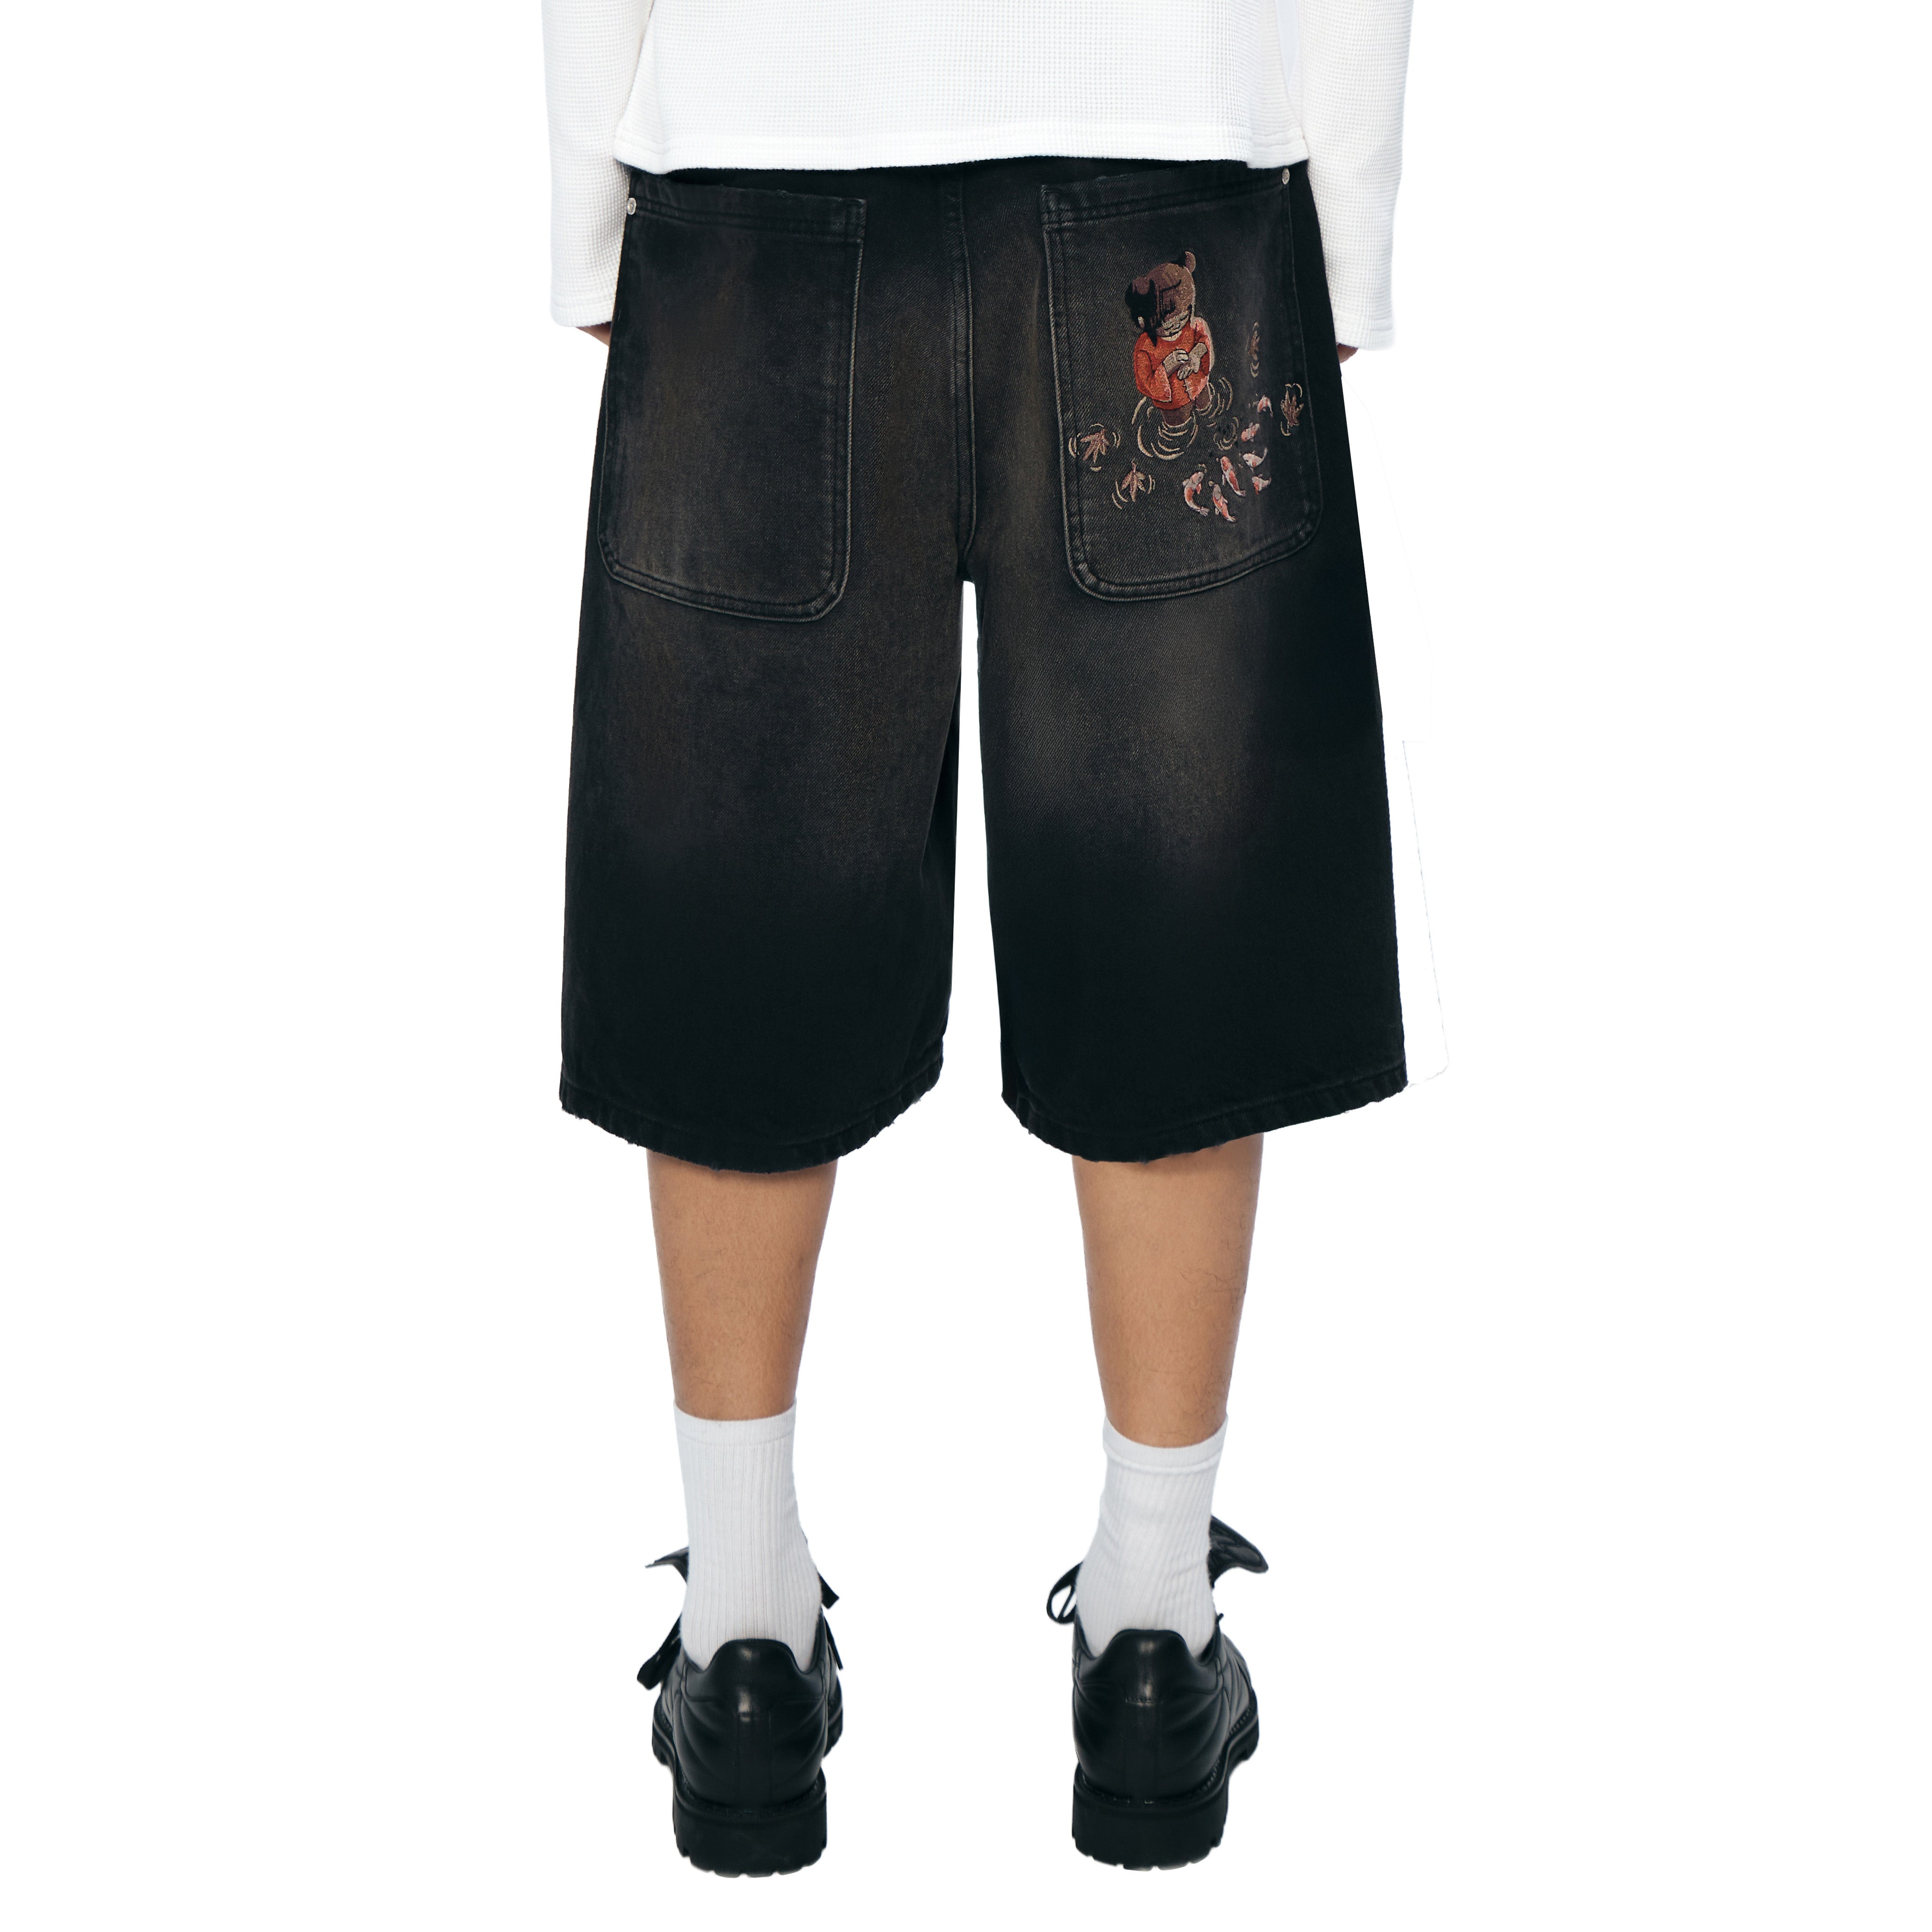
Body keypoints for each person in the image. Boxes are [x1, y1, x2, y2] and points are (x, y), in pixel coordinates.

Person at [541, 0, 1414, 1876]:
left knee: (742, 908)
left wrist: (589, 196)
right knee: (1166, 907)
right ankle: (1155, 1632)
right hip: (1169, 167)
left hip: (760, 175)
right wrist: (1342, 215)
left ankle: (746, 1642)